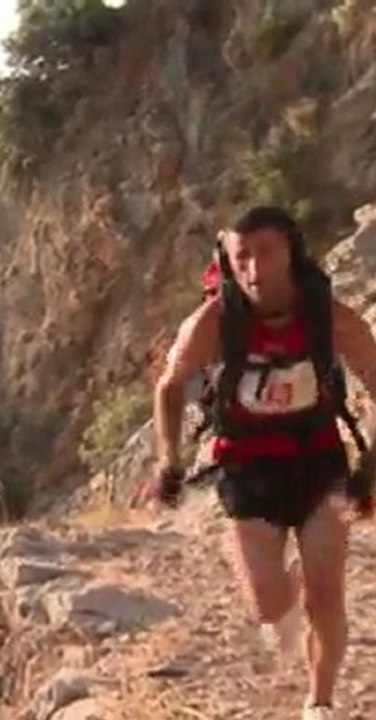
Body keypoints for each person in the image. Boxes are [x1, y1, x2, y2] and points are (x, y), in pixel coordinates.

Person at [147, 205, 376, 719]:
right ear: (227, 263)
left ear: (292, 252)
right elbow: (169, 387)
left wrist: (370, 466)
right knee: (269, 607)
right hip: (245, 467)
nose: (254, 269)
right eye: (241, 257)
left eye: (266, 253)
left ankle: (320, 702)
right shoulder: (213, 322)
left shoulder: (330, 317)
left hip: (319, 462)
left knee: (327, 596)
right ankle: (283, 588)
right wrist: (169, 460)